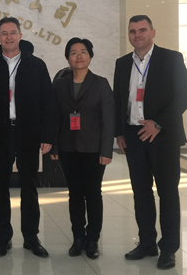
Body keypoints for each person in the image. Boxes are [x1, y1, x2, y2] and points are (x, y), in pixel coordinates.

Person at [0, 17, 56, 258]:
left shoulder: (36, 65)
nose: (8, 37)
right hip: (0, 133)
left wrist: (47, 135)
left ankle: (31, 237)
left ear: (20, 35)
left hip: (28, 132)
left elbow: (48, 103)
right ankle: (4, 237)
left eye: (12, 32)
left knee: (29, 186)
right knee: (1, 187)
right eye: (4, 33)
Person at [114, 15, 187, 270]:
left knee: (167, 192)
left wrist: (157, 123)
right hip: (133, 137)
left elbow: (184, 96)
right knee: (141, 192)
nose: (137, 35)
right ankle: (147, 242)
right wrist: (119, 133)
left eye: (142, 30)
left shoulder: (171, 59)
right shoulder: (122, 63)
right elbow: (118, 100)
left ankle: (168, 248)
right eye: (133, 31)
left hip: (163, 136)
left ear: (153, 32)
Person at [50, 38, 115, 259]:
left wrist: (106, 151)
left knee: (93, 194)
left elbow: (108, 120)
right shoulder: (60, 84)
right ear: (67, 57)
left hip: (94, 149)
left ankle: (92, 240)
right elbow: (55, 117)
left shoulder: (101, 84)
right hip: (68, 148)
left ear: (90, 56)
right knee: (75, 194)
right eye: (73, 52)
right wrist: (54, 146)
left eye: (83, 52)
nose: (79, 56)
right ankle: (78, 237)